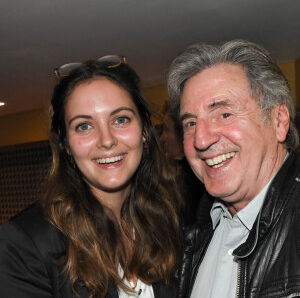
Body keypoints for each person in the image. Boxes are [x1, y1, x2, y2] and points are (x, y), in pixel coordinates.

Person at [0, 55, 182, 298]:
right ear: (66, 144)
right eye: (84, 126)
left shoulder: (168, 219)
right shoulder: (27, 243)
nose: (106, 140)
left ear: (145, 131)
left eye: (120, 119)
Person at [167, 40, 300, 298]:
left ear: (279, 120)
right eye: (190, 123)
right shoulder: (193, 235)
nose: (201, 140)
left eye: (224, 114)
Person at [160, 102, 211, 226]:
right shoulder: (175, 177)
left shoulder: (199, 184)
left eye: (167, 129)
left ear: (181, 134)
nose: (163, 138)